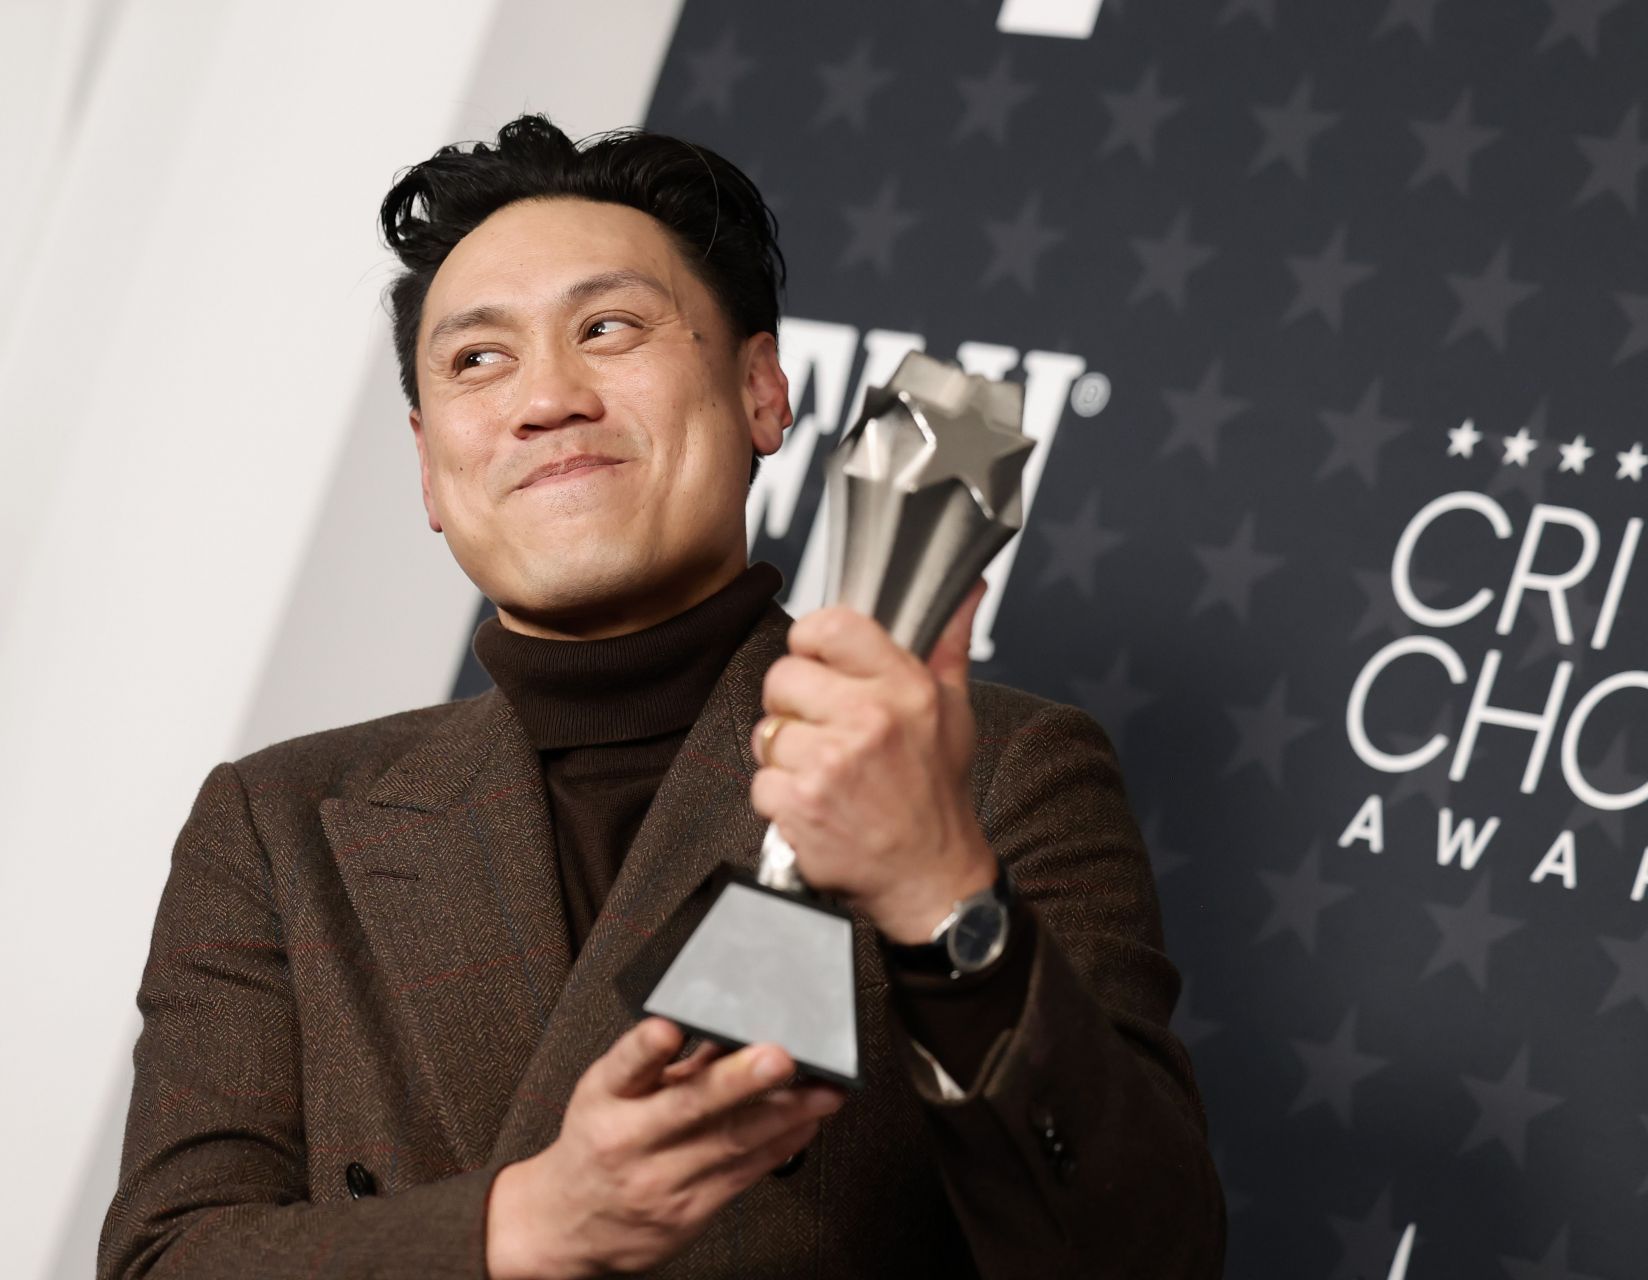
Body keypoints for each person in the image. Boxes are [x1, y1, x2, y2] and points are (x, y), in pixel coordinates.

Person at [98, 114, 1226, 1279]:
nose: (547, 398)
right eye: (478, 359)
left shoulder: (994, 771)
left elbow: (1148, 1257)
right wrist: (530, 1222)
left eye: (609, 327)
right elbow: (165, 1259)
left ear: (762, 391)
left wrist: (940, 892)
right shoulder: (281, 822)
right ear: (430, 466)